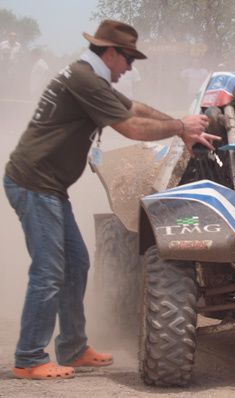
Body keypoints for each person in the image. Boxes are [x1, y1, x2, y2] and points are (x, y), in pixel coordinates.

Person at [3, 19, 219, 380]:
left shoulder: (88, 77)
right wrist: (181, 128)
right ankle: (29, 358)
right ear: (111, 52)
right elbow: (131, 127)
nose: (130, 68)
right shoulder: (84, 80)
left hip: (46, 186)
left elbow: (136, 108)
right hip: (33, 185)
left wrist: (183, 124)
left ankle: (72, 347)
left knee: (76, 265)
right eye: (129, 59)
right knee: (49, 271)